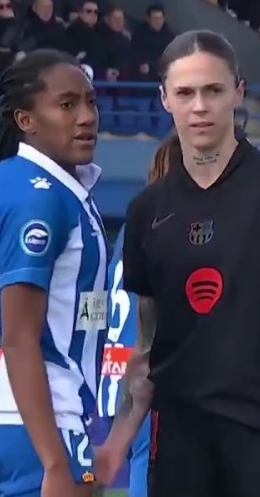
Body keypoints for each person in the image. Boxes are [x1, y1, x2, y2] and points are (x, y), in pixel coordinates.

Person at [95, 30, 260, 497]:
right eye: (185, 93)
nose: (199, 106)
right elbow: (148, 345)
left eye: (213, 90)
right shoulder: (147, 210)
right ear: (165, 99)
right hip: (178, 445)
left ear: (238, 92)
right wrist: (118, 441)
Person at [0, 48, 106, 497]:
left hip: (5, 410)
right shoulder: (37, 196)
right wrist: (54, 460)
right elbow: (20, 334)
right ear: (26, 120)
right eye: (66, 104)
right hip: (32, 414)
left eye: (91, 101)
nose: (86, 116)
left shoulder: (29, 182)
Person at [97, 143, 173, 497]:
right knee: (152, 470)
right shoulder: (170, 222)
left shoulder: (132, 227)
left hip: (114, 374)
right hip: (146, 373)